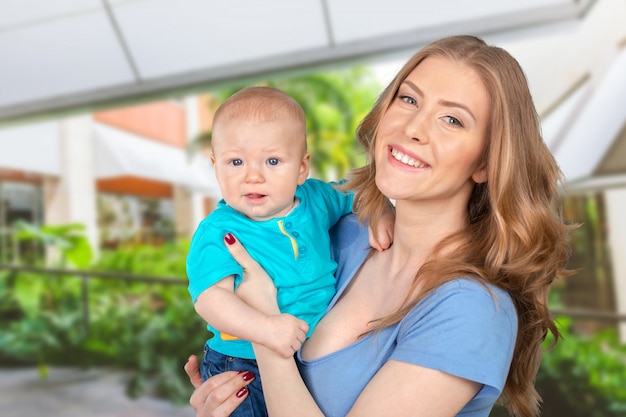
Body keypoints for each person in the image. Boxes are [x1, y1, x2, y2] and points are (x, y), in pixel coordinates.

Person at [185, 35, 574, 417]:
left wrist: (265, 332)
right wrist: (223, 402)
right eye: (408, 99)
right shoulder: (340, 233)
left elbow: (269, 336)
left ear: (485, 163)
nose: (413, 128)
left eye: (452, 120)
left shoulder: (471, 312)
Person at [186, 86, 394, 417]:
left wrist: (381, 210)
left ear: (301, 168)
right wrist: (265, 330)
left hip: (306, 357)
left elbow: (356, 191)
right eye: (236, 161)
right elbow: (211, 300)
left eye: (272, 160)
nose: (253, 176)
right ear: (216, 166)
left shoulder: (315, 200)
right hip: (243, 361)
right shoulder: (217, 231)